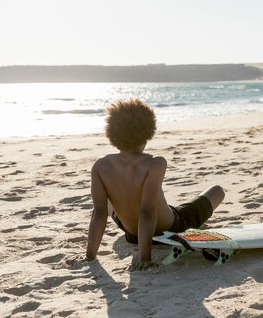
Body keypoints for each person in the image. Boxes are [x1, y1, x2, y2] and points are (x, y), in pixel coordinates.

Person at [85, 99, 225, 271]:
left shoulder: (100, 165)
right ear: (147, 132)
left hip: (132, 235)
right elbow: (147, 211)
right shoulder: (155, 163)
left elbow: (99, 214)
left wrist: (90, 257)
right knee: (217, 191)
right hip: (169, 228)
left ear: (112, 133)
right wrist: (145, 258)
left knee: (106, 202)